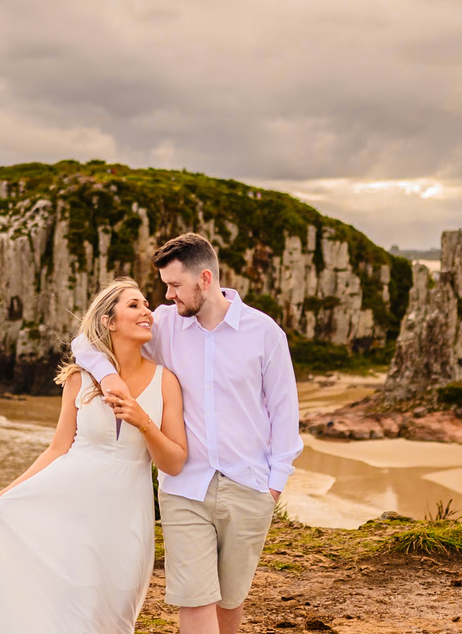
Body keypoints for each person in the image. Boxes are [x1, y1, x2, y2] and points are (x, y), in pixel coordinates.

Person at [73, 233, 303, 634]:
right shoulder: (164, 324)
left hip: (250, 487)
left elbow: (285, 413)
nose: (167, 295)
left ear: (205, 279)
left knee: (230, 603)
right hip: (184, 488)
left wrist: (273, 489)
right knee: (194, 600)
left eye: (175, 285)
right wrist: (110, 377)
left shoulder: (265, 333)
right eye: (165, 285)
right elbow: (85, 340)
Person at [0, 278, 187, 634]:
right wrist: (9, 492)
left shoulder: (166, 382)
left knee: (116, 616)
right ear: (108, 321)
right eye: (134, 305)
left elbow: (174, 462)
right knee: (71, 613)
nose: (147, 311)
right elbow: (58, 448)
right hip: (71, 509)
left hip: (127, 518)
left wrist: (142, 421)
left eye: (146, 304)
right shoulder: (79, 379)